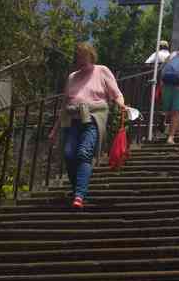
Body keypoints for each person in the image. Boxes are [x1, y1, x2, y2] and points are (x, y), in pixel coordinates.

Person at [48, 43, 125, 209]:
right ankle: (77, 189)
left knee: (84, 152)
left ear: (91, 56)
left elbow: (116, 93)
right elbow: (64, 105)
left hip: (93, 117)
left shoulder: (101, 71)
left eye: (84, 56)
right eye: (78, 57)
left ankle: (79, 195)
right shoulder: (72, 77)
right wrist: (54, 130)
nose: (81, 59)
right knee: (69, 155)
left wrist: (122, 105)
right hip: (72, 119)